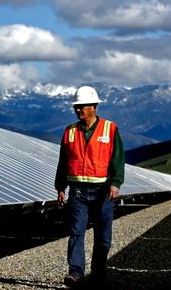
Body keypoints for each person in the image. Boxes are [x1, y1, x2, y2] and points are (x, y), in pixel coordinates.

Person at [54, 85, 125, 287]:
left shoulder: (110, 129)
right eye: (76, 107)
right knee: (76, 232)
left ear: (94, 106)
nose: (78, 110)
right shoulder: (69, 132)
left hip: (103, 192)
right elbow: (63, 161)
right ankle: (75, 274)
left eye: (82, 107)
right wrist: (60, 187)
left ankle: (98, 273)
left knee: (103, 237)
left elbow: (118, 158)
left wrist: (116, 183)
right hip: (77, 192)